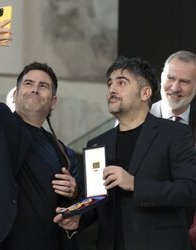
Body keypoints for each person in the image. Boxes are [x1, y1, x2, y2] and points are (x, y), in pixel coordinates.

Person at [0, 20, 80, 250]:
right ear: (16, 94)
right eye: (28, 83)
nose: (35, 88)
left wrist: (74, 192)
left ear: (53, 101)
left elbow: (72, 210)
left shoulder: (64, 153)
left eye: (43, 86)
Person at [54, 56, 196, 250]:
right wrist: (78, 217)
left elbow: (188, 191)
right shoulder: (97, 143)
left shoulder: (174, 133)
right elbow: (97, 200)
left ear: (145, 93)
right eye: (110, 83)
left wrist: (134, 184)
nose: (112, 89)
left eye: (121, 83)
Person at [150, 50, 196, 249]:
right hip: (145, 232)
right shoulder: (136, 119)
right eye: (170, 78)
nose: (175, 87)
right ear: (161, 78)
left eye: (184, 81)